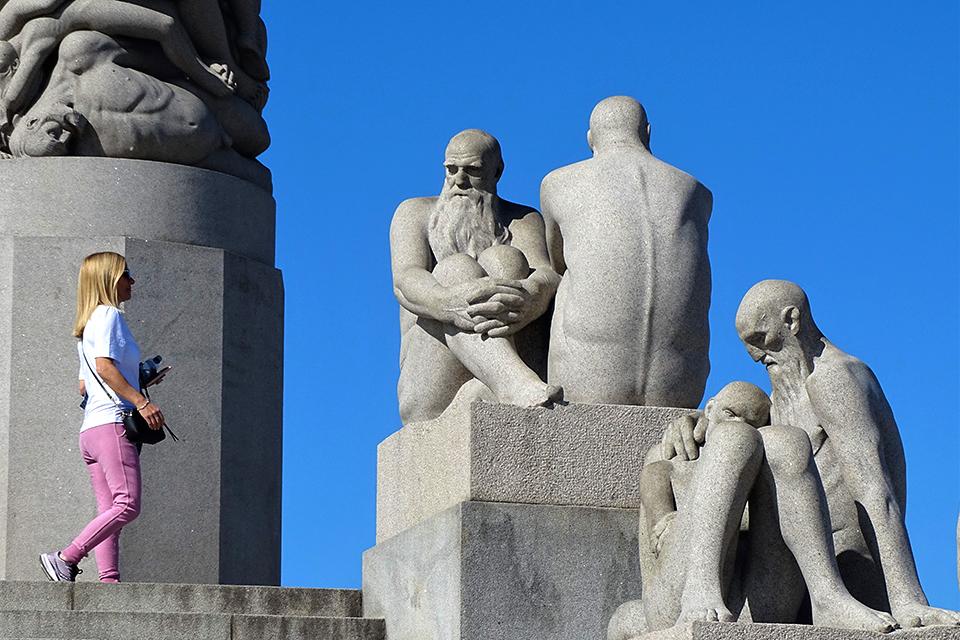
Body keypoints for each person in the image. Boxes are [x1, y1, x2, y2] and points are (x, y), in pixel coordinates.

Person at [735, 279, 960, 628]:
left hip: (849, 569)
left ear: (792, 321)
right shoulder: (787, 387)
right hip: (804, 569)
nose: (755, 355)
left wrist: (905, 599)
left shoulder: (833, 378)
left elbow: (875, 489)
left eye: (759, 339)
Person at [632, 376, 901, 634]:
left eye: (753, 423)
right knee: (734, 438)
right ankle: (701, 588)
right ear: (710, 409)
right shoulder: (673, 457)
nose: (741, 424)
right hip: (676, 600)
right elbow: (657, 505)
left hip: (755, 602)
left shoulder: (755, 459)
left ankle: (827, 597)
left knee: (789, 440)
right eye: (730, 413)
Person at [540, 96, 712, 408]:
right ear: (647, 132)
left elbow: (555, 261)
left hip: (584, 384)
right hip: (680, 389)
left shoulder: (557, 184)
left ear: (590, 140)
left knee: (558, 278)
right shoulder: (696, 193)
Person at [390, 129, 562, 423]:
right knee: (455, 269)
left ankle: (502, 376)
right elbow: (405, 280)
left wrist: (533, 292)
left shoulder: (524, 220)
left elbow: (549, 274)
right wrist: (449, 302)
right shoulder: (414, 213)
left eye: (472, 170)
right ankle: (510, 381)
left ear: (497, 172)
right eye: (451, 170)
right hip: (430, 384)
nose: (459, 180)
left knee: (505, 258)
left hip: (516, 354)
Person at [38, 252, 166, 583]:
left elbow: (84, 385)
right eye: (127, 274)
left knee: (110, 510)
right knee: (128, 505)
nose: (132, 281)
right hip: (112, 425)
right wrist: (141, 400)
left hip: (91, 431)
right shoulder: (109, 315)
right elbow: (105, 367)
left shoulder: (87, 326)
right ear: (110, 278)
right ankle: (66, 558)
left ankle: (108, 582)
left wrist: (140, 379)